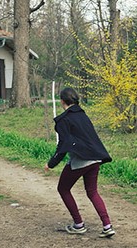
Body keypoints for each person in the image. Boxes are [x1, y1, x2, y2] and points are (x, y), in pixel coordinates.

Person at [44, 87, 115, 238]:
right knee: (92, 192)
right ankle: (107, 226)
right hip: (96, 158)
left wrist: (51, 163)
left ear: (62, 101)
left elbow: (63, 146)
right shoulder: (83, 115)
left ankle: (78, 224)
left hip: (81, 161)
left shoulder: (64, 120)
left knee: (63, 189)